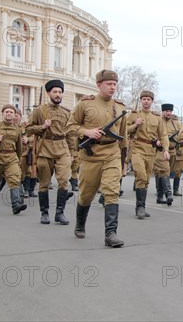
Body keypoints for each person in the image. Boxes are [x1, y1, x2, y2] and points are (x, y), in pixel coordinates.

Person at [67, 69, 129, 247]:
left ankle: (111, 234)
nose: (112, 87)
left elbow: (123, 138)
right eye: (109, 84)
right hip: (91, 156)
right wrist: (86, 132)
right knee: (86, 195)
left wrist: (124, 161)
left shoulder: (121, 108)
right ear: (99, 85)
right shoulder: (84, 104)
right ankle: (80, 224)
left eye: (115, 84)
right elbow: (70, 127)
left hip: (112, 153)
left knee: (111, 191)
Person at [26, 80, 76, 225]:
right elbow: (28, 128)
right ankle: (45, 212)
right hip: (44, 148)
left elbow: (70, 134)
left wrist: (72, 153)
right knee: (44, 183)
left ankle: (60, 213)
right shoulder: (39, 111)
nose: (58, 94)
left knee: (63, 182)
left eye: (60, 92)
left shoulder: (67, 113)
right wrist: (42, 126)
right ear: (48, 93)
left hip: (62, 149)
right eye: (55, 92)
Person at [126, 90, 169, 219]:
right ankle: (139, 208)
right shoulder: (133, 115)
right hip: (137, 148)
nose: (146, 101)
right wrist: (135, 125)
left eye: (148, 99)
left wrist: (166, 149)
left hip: (150, 150)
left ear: (152, 101)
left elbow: (163, 134)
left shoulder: (157, 117)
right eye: (143, 99)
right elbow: (124, 130)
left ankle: (142, 207)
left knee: (146, 179)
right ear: (140, 100)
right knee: (141, 175)